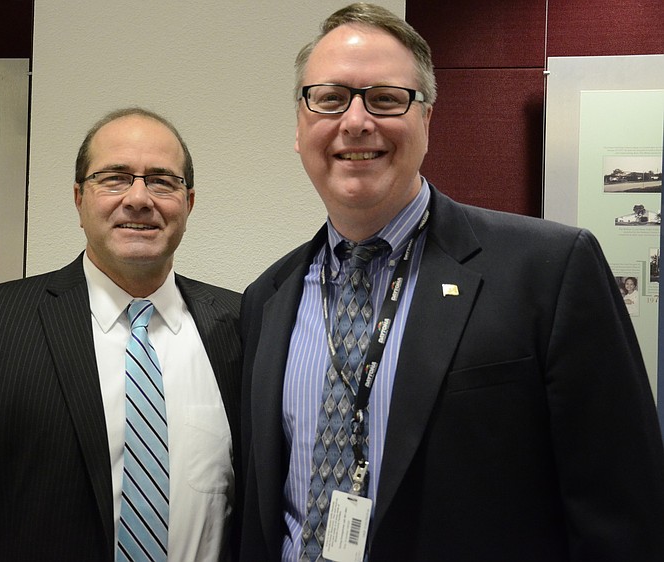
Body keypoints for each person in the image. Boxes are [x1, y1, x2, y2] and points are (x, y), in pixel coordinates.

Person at [239, 4, 664, 561]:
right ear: (300, 125)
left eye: (386, 98)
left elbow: (625, 517)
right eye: (330, 98)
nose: (356, 121)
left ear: (427, 121)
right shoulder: (265, 299)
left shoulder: (551, 270)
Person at [0, 108, 242, 561]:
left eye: (161, 181)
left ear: (188, 203)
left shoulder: (242, 327)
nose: (138, 198)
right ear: (79, 199)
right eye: (113, 178)